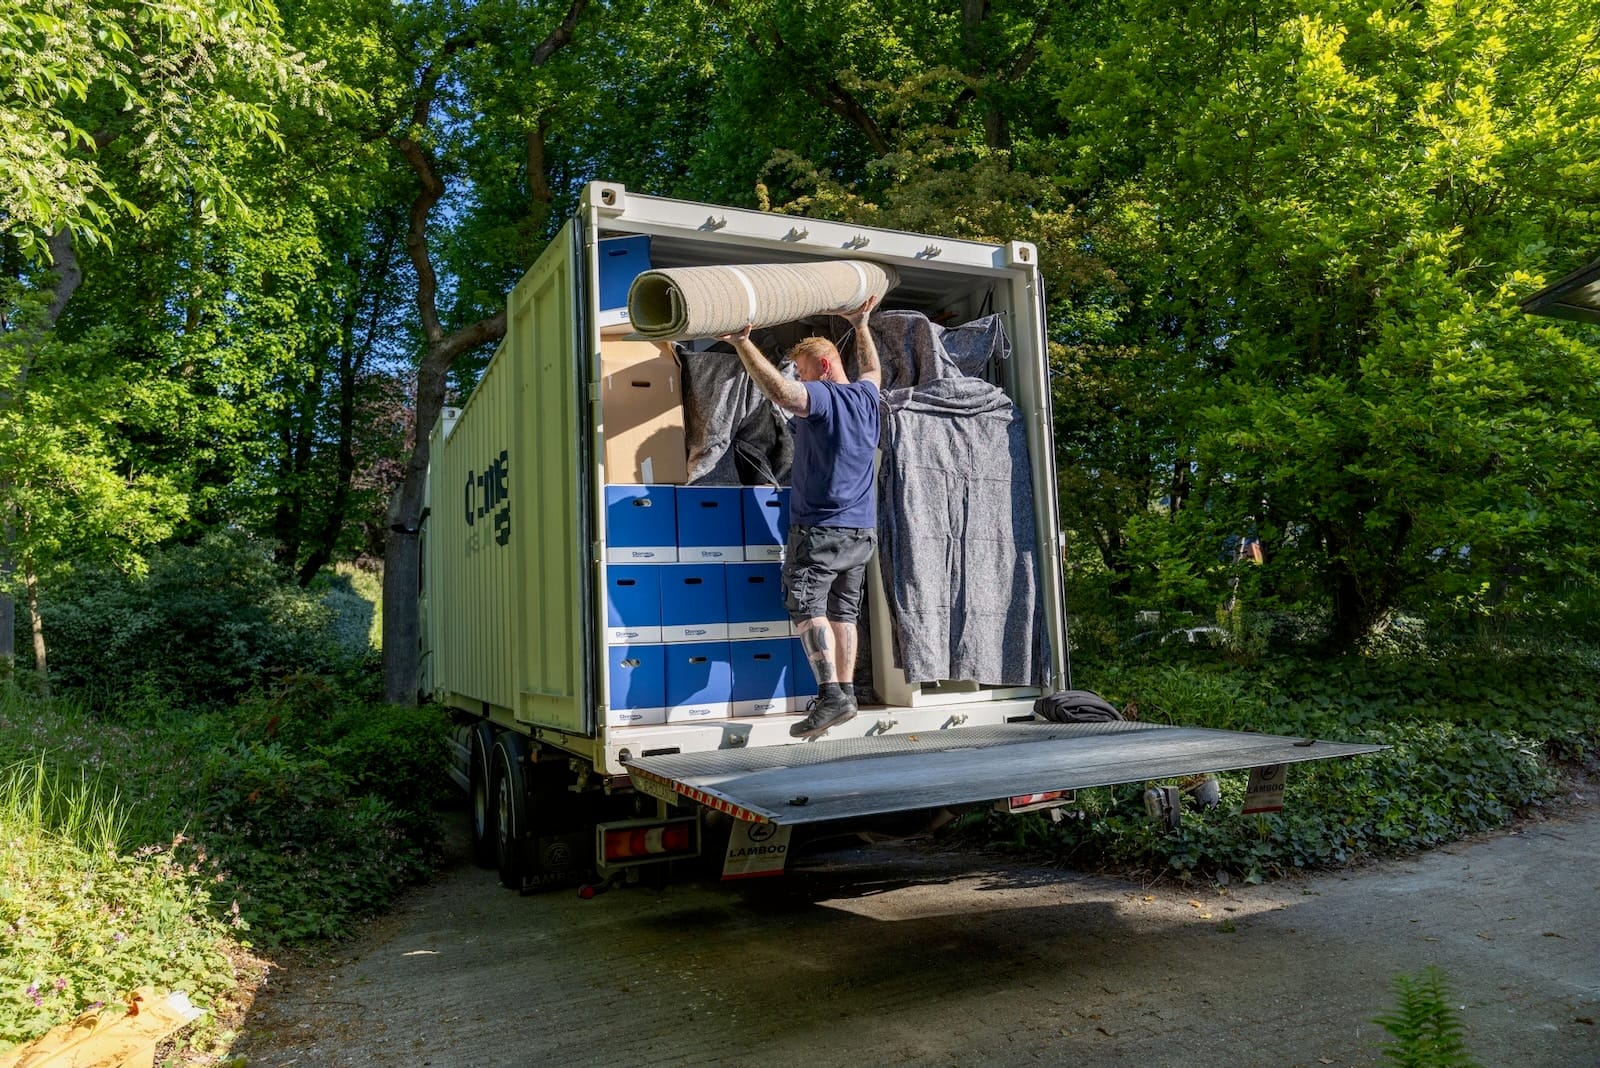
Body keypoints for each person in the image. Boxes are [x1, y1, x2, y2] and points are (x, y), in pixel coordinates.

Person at [718, 297, 881, 739]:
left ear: (824, 368)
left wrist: (742, 343)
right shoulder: (867, 397)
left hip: (820, 529)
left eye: (804, 371)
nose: (801, 380)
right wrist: (861, 325)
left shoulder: (824, 396)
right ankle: (845, 694)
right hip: (861, 530)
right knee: (844, 612)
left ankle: (829, 695)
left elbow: (781, 393)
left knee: (806, 606)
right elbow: (871, 369)